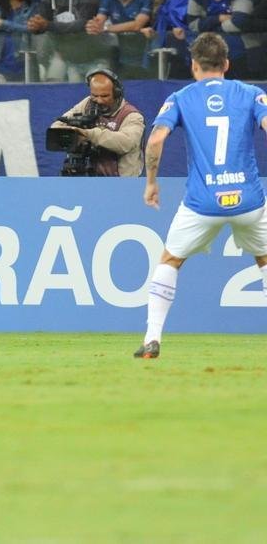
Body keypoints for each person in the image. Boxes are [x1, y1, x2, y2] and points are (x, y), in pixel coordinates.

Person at [138, 32, 267, 358]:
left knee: (171, 260)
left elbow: (155, 140)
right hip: (248, 199)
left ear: (194, 65)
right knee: (265, 259)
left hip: (202, 202)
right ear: (227, 64)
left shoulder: (181, 98)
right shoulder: (252, 94)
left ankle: (152, 338)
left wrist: (151, 182)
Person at [51, 69, 146, 177]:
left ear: (116, 93)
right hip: (88, 175)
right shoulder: (88, 103)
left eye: (105, 96)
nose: (99, 100)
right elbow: (57, 125)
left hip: (121, 182)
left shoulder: (132, 116)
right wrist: (73, 135)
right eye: (95, 96)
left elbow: (125, 143)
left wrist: (88, 134)